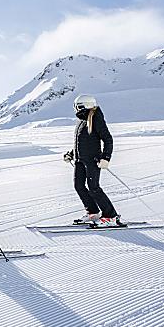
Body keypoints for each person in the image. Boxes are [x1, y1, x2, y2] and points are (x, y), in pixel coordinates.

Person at [63, 94, 121, 227]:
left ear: (85, 106)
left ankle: (111, 216)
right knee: (79, 186)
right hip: (80, 160)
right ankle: (93, 212)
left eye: (78, 107)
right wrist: (71, 154)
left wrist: (106, 158)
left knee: (93, 188)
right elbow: (81, 142)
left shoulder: (96, 118)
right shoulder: (81, 120)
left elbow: (108, 139)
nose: (76, 109)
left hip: (92, 160)